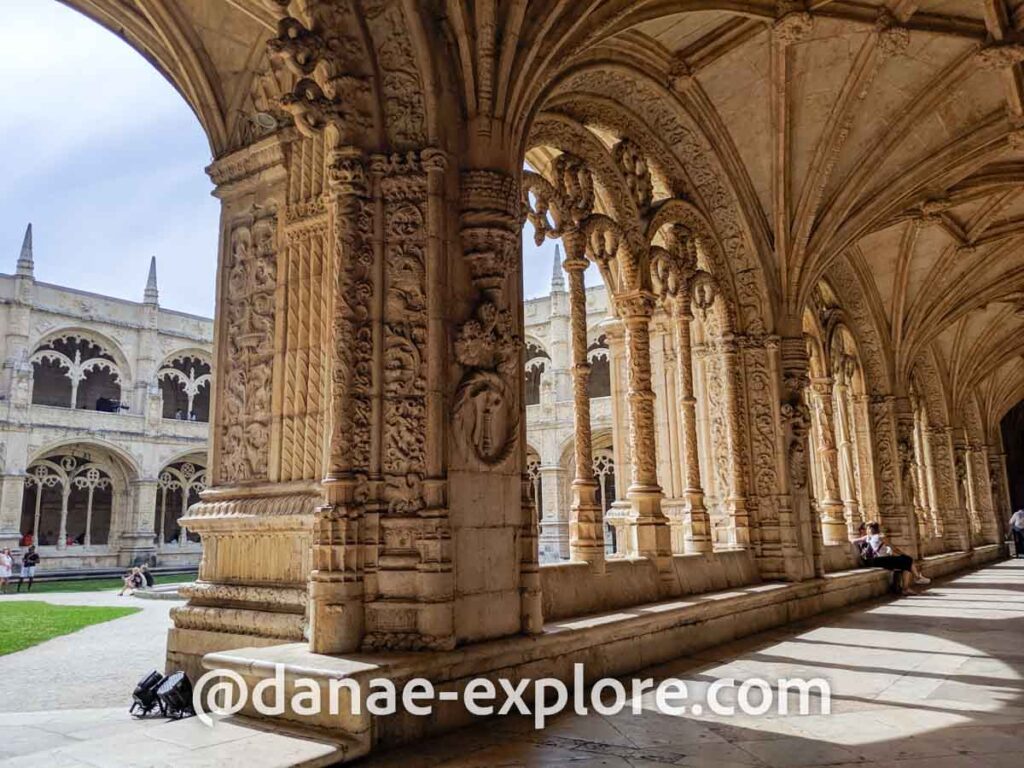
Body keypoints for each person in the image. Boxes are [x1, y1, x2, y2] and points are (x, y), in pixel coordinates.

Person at [854, 521, 929, 594]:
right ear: (878, 528)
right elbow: (894, 549)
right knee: (908, 559)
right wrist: (904, 554)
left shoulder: (868, 538)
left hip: (872, 561)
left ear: (869, 530)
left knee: (906, 563)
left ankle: (911, 583)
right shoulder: (881, 536)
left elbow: (853, 541)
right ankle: (913, 581)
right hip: (881, 560)